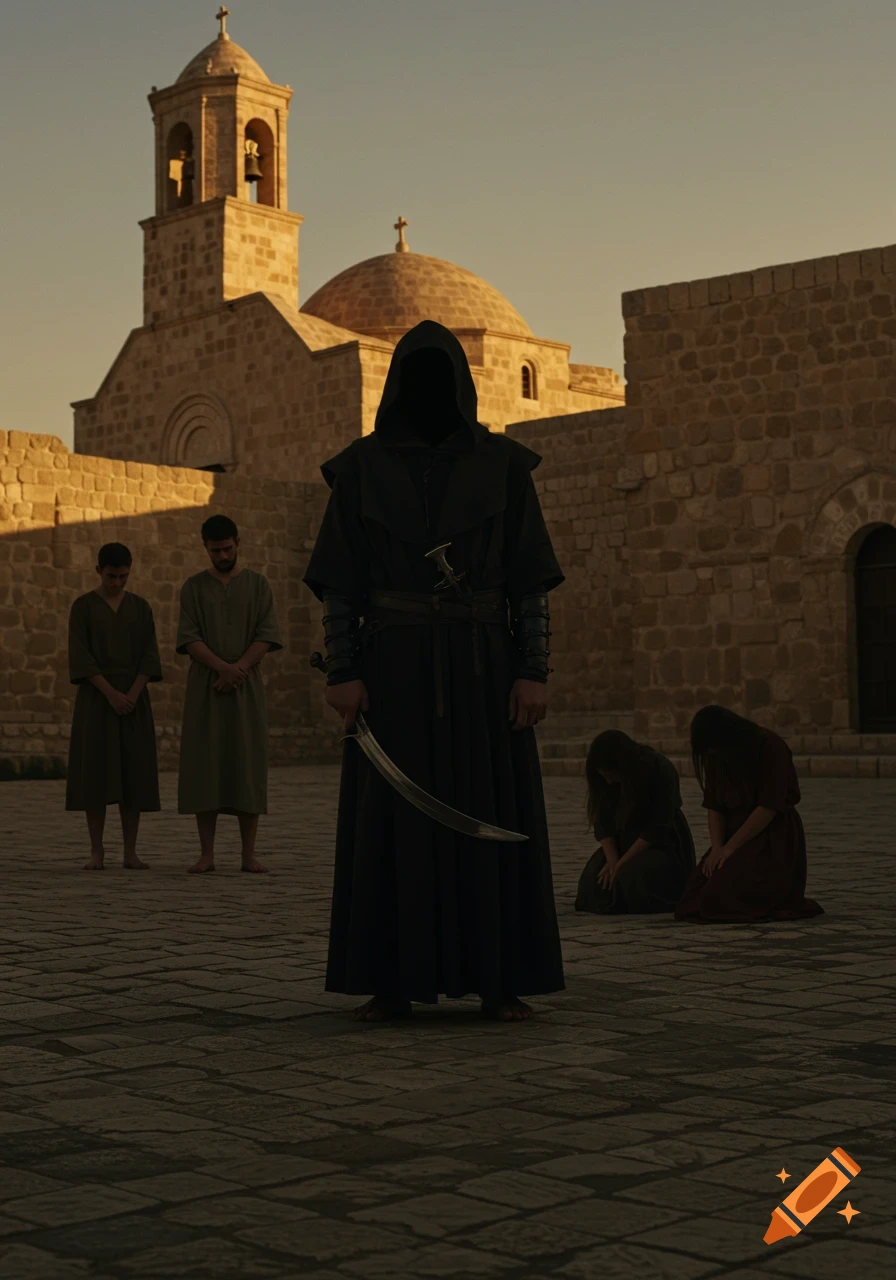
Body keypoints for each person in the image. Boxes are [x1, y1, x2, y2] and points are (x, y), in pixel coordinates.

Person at [303, 319, 565, 1024]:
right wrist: (344, 671)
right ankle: (390, 980)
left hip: (484, 667)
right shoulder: (361, 469)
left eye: (436, 374)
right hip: (392, 671)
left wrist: (533, 669)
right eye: (413, 374)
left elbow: (529, 583)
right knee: (390, 830)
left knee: (491, 808)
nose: (426, 389)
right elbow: (341, 585)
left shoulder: (505, 467)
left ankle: (500, 979)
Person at [176, 515, 282, 874]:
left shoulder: (258, 585)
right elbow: (189, 638)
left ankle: (248, 854)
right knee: (205, 766)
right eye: (215, 550)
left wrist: (239, 670)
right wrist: (222, 668)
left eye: (227, 548)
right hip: (206, 687)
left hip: (245, 687)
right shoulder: (193, 588)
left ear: (238, 542)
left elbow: (266, 634)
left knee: (246, 764)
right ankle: (207, 854)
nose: (222, 555)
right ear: (204, 548)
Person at [675, 705, 824, 922]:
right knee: (693, 898)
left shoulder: (769, 746)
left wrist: (731, 848)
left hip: (769, 835)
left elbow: (768, 807)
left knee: (718, 895)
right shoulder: (718, 755)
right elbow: (715, 806)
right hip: (732, 833)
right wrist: (717, 848)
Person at [66, 542, 162, 870]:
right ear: (98, 572)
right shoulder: (83, 608)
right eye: (111, 576)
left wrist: (132, 695)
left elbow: (149, 654)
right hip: (97, 699)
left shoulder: (141, 607)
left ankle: (130, 851)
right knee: (95, 773)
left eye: (123, 576)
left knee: (132, 774)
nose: (117, 583)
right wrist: (110, 694)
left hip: (133, 700)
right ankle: (97, 850)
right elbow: (81, 657)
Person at [575, 729, 695, 914]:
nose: (608, 782)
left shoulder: (659, 768)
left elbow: (658, 826)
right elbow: (603, 823)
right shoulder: (604, 784)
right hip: (623, 840)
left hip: (660, 843)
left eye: (612, 776)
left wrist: (623, 863)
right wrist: (613, 859)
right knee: (594, 881)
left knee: (631, 876)